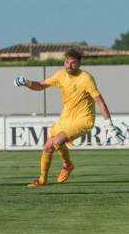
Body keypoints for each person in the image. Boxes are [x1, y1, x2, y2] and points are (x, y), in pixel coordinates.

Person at [14, 48, 125, 187]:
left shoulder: (86, 78)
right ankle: (42, 180)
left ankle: (68, 165)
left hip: (84, 119)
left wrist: (109, 125)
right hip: (66, 118)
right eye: (67, 62)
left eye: (73, 63)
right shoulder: (61, 75)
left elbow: (100, 102)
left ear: (79, 64)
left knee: (57, 141)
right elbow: (40, 86)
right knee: (48, 147)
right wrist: (27, 82)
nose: (69, 65)